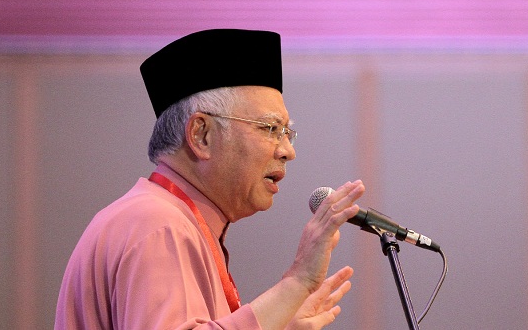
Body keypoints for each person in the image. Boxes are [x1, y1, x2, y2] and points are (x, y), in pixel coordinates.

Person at [55, 28, 365, 330]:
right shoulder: (158, 223)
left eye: (287, 133)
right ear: (201, 135)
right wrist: (298, 282)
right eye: (270, 129)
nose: (287, 151)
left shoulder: (169, 217)